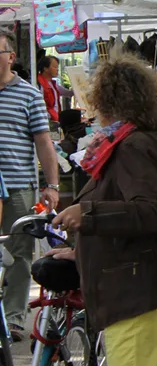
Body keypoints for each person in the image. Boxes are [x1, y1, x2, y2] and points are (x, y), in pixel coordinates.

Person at [50, 52, 157, 366]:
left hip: (137, 292)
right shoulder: (133, 140)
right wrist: (82, 251)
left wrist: (86, 214)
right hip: (137, 288)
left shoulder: (133, 144)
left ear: (106, 99)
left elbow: (150, 212)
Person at [0, 28, 59, 341]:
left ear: (11, 57)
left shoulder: (29, 95)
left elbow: (44, 143)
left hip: (17, 186)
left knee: (18, 253)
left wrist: (52, 185)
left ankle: (12, 318)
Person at [36, 55, 72, 123]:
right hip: (47, 121)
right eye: (55, 67)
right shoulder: (38, 84)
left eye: (57, 67)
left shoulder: (53, 84)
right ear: (45, 68)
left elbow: (68, 93)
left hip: (55, 119)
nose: (57, 69)